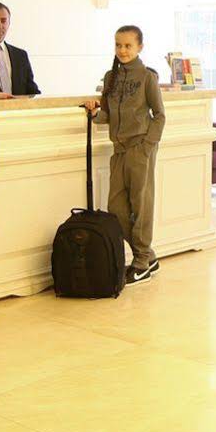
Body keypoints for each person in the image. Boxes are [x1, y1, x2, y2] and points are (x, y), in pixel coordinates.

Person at [83, 24, 165, 283]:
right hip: (118, 150)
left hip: (140, 148)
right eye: (118, 45)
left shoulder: (147, 77)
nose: (122, 50)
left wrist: (147, 146)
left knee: (141, 206)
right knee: (116, 209)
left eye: (128, 45)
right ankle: (148, 255)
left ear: (140, 47)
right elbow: (107, 115)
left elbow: (159, 115)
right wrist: (94, 113)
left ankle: (141, 261)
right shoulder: (111, 77)